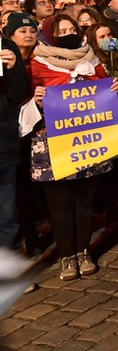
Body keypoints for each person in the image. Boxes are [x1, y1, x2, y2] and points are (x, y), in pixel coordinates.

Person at [30, 14, 114, 280]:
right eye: (61, 31)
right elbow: (21, 99)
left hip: (88, 140)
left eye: (71, 29)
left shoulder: (92, 59)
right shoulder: (36, 64)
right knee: (60, 203)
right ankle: (67, 255)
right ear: (50, 36)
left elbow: (104, 89)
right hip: (53, 142)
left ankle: (83, 251)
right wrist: (35, 98)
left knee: (85, 201)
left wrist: (109, 86)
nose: (67, 34)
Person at [0, 29, 30, 251]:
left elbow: (19, 95)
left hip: (3, 142)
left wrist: (13, 70)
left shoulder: (6, 46)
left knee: (7, 211)